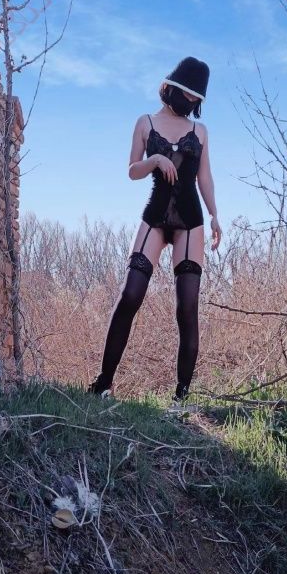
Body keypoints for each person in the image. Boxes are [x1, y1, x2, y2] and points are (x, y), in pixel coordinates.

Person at [87, 56, 222, 410]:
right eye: (188, 95)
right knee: (130, 295)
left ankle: (181, 398)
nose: (191, 103)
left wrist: (215, 215)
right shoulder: (145, 122)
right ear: (173, 88)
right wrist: (155, 161)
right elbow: (132, 170)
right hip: (155, 216)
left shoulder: (200, 132)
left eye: (197, 100)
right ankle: (102, 383)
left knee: (187, 308)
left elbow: (204, 177)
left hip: (190, 221)